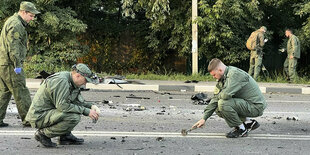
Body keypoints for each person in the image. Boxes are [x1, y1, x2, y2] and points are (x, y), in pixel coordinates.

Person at [25, 63, 101, 147]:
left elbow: (76, 102)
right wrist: (86, 111)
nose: (85, 84)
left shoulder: (72, 82)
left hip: (49, 112)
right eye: (85, 80)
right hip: (39, 116)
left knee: (74, 110)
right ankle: (43, 134)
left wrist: (91, 106)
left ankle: (65, 136)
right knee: (73, 117)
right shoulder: (62, 81)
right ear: (78, 76)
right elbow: (62, 106)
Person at [192, 58, 267, 138]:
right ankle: (248, 122)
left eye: (214, 75)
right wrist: (204, 118)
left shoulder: (234, 74)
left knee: (223, 103)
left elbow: (225, 95)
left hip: (256, 106)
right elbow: (215, 99)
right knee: (218, 106)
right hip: (246, 103)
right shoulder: (223, 77)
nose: (213, 77)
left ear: (220, 70)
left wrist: (218, 96)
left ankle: (241, 129)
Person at [0, 1, 40, 127]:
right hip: (11, 64)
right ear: (24, 12)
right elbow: (14, 47)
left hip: (4, 63)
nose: (32, 19)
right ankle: (29, 119)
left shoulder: (12, 21)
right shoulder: (16, 24)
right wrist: (17, 64)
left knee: (4, 92)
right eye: (31, 15)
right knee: (21, 91)